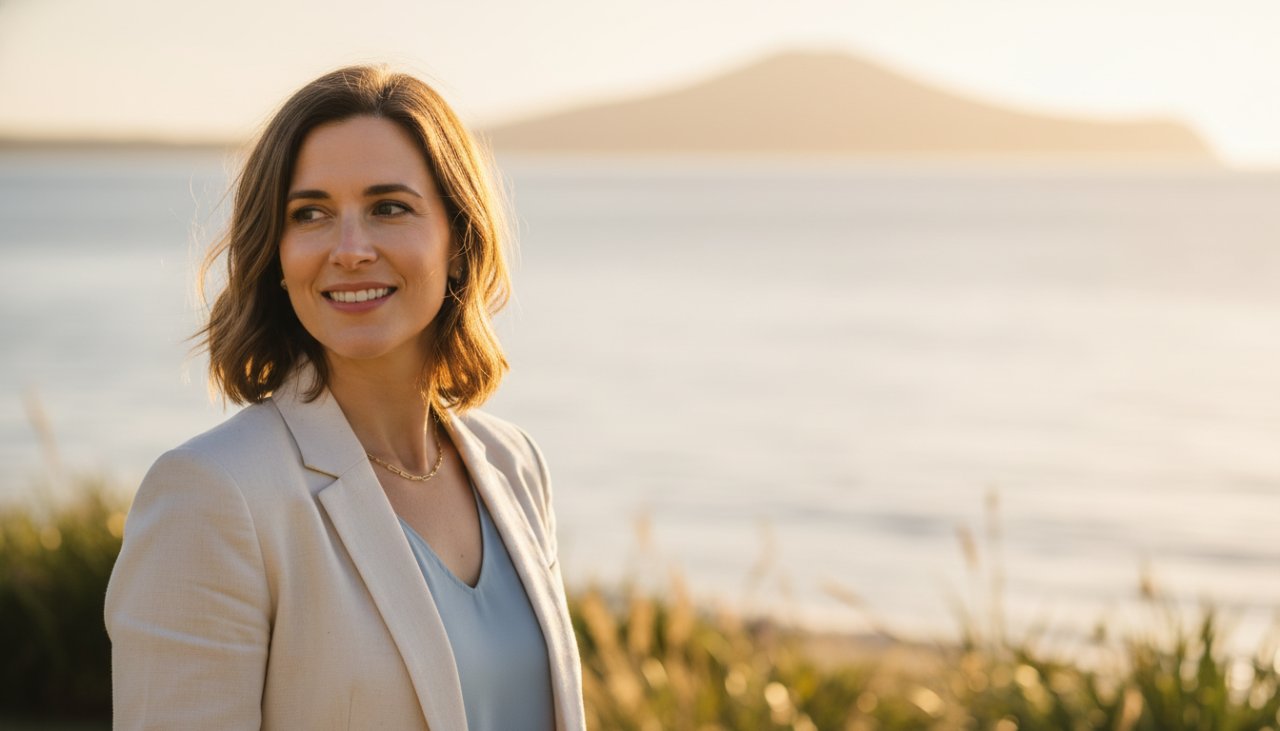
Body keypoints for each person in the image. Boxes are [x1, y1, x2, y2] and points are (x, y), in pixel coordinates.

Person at [104, 65, 585, 730]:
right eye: (312, 214)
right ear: (277, 251)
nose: (350, 249)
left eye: (389, 207)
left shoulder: (514, 465)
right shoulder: (212, 495)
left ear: (457, 238)